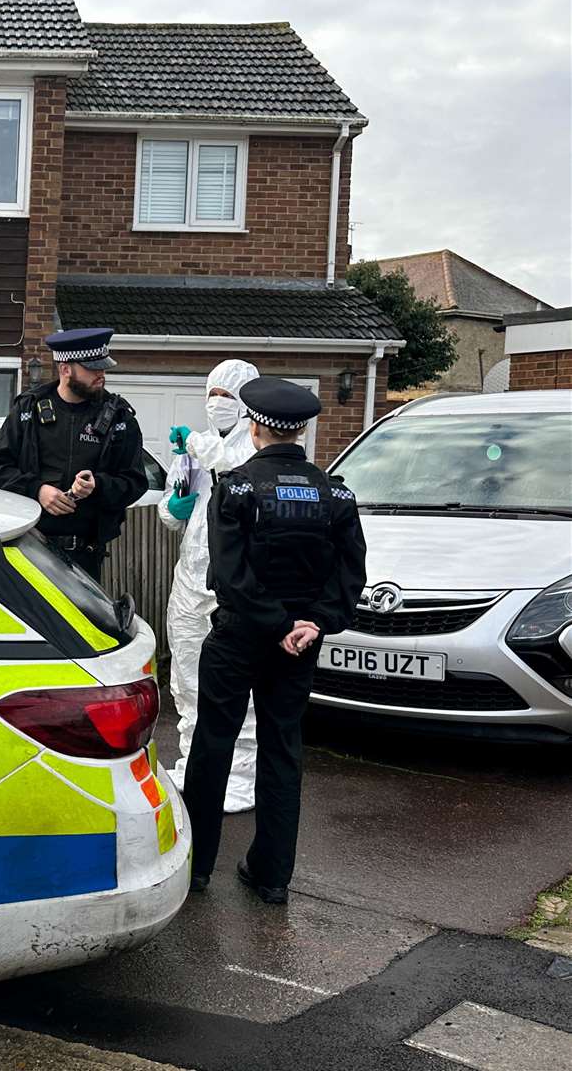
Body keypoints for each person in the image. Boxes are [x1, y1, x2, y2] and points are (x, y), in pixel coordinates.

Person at [184, 378, 366, 904]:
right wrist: (313, 623)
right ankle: (272, 877)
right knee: (282, 748)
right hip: (300, 645)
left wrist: (275, 622)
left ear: (256, 426)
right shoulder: (336, 493)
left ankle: (196, 869)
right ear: (303, 429)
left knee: (212, 744)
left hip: (242, 634)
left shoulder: (236, 487)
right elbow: (350, 572)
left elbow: (227, 571)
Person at [158, 360, 261, 814]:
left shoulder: (253, 443)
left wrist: (196, 446)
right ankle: (193, 762)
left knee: (237, 683)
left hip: (234, 582)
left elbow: (232, 464)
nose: (217, 403)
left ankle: (239, 776)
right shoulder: (194, 449)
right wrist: (173, 507)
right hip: (190, 578)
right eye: (212, 393)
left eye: (227, 394)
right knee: (187, 677)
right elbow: (169, 502)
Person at [0, 328, 148, 578]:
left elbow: (135, 482)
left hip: (84, 557)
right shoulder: (29, 411)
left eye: (103, 368)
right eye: (92, 368)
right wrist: (37, 490)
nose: (101, 375)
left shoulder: (118, 419)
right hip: (27, 548)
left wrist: (97, 486)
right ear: (65, 368)